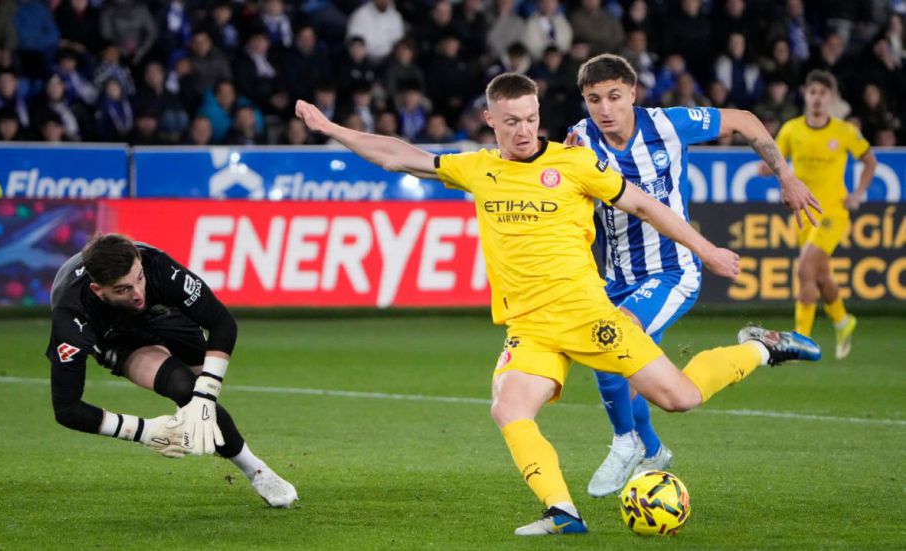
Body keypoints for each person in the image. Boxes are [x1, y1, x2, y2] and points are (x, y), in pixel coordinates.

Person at [295, 73, 821, 536]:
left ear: (540, 114)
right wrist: (332, 128)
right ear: (490, 121)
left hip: (588, 317)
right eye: (511, 121)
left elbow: (644, 204)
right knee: (508, 406)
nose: (523, 130)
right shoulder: (476, 169)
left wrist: (705, 250)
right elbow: (395, 154)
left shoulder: (575, 163)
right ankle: (562, 510)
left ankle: (759, 348)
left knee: (679, 397)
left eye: (530, 118)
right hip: (529, 327)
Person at [566, 53, 821, 498]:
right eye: (593, 99)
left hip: (671, 270)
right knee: (658, 387)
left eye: (613, 97)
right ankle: (757, 352)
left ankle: (626, 444)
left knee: (610, 338)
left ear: (632, 93)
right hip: (616, 277)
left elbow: (743, 119)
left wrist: (786, 175)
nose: (604, 109)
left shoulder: (667, 125)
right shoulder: (580, 141)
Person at [46, 233, 298, 507]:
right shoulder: (72, 317)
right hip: (114, 335)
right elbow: (67, 409)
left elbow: (222, 323)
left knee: (201, 396)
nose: (137, 293)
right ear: (98, 290)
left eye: (139, 278)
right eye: (122, 289)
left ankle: (212, 419)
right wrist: (143, 431)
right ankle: (258, 471)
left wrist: (207, 395)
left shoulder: (158, 267)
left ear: (140, 262)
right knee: (184, 387)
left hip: (163, 313)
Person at [760, 70, 876, 359]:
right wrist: (769, 170)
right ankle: (842, 320)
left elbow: (870, 161)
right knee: (819, 276)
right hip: (804, 212)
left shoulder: (845, 131)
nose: (817, 99)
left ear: (831, 99)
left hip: (834, 212)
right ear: (805, 95)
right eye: (813, 93)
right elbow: (776, 160)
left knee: (803, 269)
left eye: (823, 94)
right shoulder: (791, 129)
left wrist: (858, 194)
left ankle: (801, 341)